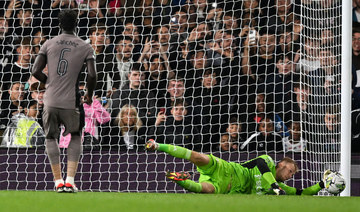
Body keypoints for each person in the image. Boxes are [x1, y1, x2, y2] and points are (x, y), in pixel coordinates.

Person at [31, 9, 97, 193]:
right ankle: (70, 180)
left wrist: (49, 82)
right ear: (76, 24)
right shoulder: (85, 46)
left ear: (59, 24)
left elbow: (35, 71)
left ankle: (57, 181)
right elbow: (92, 75)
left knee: (51, 137)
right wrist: (89, 94)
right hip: (72, 101)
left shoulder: (48, 43)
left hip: (50, 100)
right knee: (75, 135)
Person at [145, 139, 332, 195]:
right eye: (290, 171)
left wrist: (322, 185)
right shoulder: (267, 161)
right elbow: (259, 165)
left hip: (228, 188)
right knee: (197, 157)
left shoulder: (279, 186)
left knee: (206, 189)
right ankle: (157, 146)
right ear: (281, 164)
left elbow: (301, 193)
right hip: (226, 169)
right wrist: (273, 185)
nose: (291, 175)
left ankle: (182, 181)